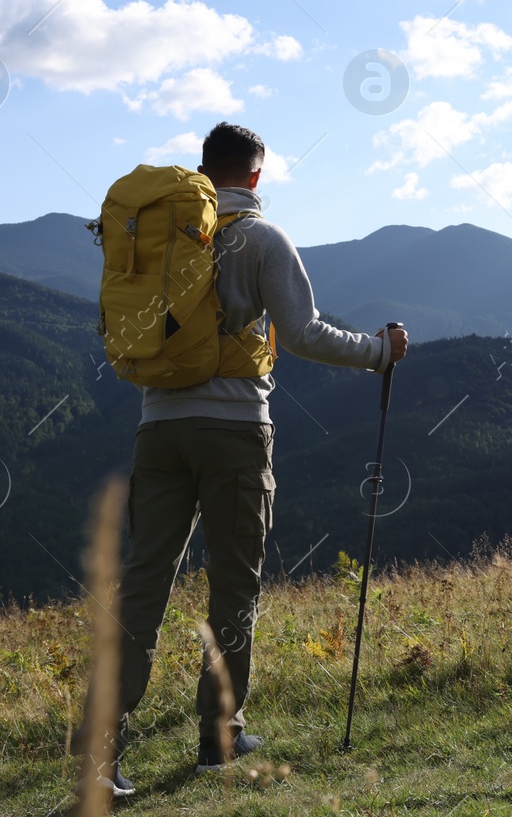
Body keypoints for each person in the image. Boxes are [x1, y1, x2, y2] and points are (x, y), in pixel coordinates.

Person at [78, 121, 407, 798]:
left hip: (157, 430)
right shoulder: (261, 239)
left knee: (142, 586)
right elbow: (306, 333)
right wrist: (378, 351)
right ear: (256, 176)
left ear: (204, 169)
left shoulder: (158, 233)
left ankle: (99, 757)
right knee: (233, 586)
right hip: (234, 433)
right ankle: (219, 734)